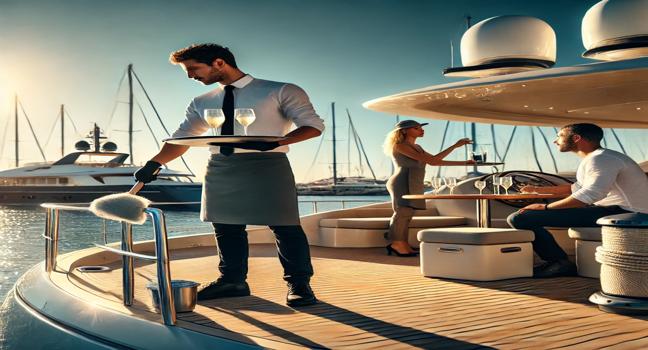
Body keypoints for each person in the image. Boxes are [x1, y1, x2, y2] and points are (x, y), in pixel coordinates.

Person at [134, 43, 324, 307]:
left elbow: (312, 126)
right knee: (225, 227)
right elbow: (181, 139)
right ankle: (232, 281)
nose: (190, 76)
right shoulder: (202, 102)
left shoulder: (280, 90)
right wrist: (154, 163)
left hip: (268, 163)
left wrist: (277, 142)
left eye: (193, 69)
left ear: (219, 62)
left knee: (285, 226)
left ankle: (299, 284)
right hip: (221, 165)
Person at [507, 123, 648, 278]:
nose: (555, 141)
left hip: (628, 214)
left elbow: (589, 195)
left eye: (559, 136)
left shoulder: (601, 159)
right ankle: (558, 262)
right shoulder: (600, 157)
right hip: (614, 210)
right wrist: (537, 190)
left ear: (576, 138)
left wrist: (546, 207)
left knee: (521, 218)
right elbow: (577, 188)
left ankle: (559, 263)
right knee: (524, 216)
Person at [383, 120, 473, 256]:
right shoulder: (399, 146)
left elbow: (436, 162)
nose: (421, 130)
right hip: (401, 181)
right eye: (416, 128)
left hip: (414, 181)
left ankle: (403, 243)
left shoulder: (418, 147)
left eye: (421, 128)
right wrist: (455, 146)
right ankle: (397, 244)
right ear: (404, 131)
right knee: (402, 213)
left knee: (408, 214)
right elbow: (433, 161)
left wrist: (465, 163)